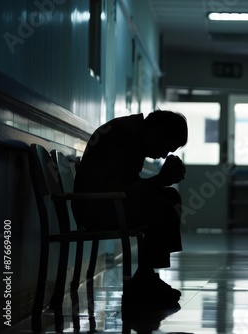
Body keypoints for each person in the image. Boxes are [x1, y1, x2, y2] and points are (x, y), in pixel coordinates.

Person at [72, 109, 188, 304]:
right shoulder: (125, 136)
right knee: (163, 209)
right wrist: (160, 180)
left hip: (106, 203)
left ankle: (147, 276)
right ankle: (145, 280)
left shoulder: (133, 134)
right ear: (157, 132)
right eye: (166, 147)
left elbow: (126, 188)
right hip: (96, 211)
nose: (162, 155)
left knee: (170, 196)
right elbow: (122, 190)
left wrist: (161, 182)